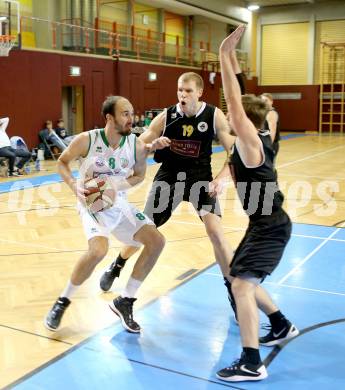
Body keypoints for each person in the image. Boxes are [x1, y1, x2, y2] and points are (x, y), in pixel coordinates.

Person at [100, 71, 237, 311]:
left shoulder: (214, 116)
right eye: (180, 91)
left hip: (199, 179)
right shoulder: (167, 116)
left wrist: (222, 178)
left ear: (200, 93)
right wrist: (151, 145)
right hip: (170, 178)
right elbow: (140, 143)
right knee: (146, 230)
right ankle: (118, 264)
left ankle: (234, 291)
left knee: (216, 233)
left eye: (188, 91)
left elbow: (234, 152)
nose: (182, 95)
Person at [215, 26, 298, 382]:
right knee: (238, 276)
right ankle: (280, 325)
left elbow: (235, 106)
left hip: (270, 226)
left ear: (245, 123)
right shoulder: (259, 135)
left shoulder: (250, 146)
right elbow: (243, 98)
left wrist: (221, 55)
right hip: (264, 223)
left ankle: (251, 361)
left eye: (237, 120)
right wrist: (233, 59)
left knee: (241, 287)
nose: (232, 120)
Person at [44, 96, 166, 333]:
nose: (131, 119)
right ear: (109, 117)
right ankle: (63, 301)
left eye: (131, 113)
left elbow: (139, 176)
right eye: (124, 114)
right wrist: (73, 185)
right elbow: (62, 162)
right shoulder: (87, 140)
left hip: (117, 202)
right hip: (92, 205)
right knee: (98, 250)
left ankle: (125, 300)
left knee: (157, 241)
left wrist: (113, 186)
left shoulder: (136, 145)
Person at [261, 93, 280, 158]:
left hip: (270, 144)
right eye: (262, 100)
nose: (264, 102)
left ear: (271, 101)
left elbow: (272, 131)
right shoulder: (264, 112)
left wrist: (268, 146)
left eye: (266, 100)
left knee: (269, 167)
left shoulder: (271, 113)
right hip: (264, 143)